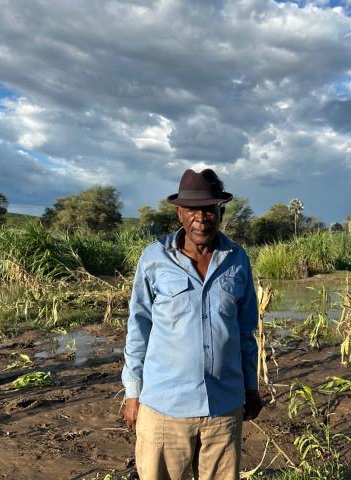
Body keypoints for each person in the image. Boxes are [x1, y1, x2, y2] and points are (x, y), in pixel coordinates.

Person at [122, 168, 264, 480]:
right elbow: (139, 326)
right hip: (164, 409)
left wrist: (251, 387)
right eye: (192, 211)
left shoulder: (237, 259)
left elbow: (245, 331)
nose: (201, 219)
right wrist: (132, 393)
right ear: (179, 213)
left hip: (223, 408)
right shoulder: (154, 258)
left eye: (209, 210)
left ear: (220, 211)